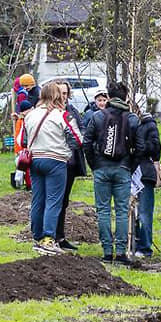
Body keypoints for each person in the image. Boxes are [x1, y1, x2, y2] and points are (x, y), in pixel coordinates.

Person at [18, 82, 83, 255]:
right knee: (54, 201)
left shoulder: (30, 115)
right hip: (56, 161)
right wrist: (66, 150)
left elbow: (22, 141)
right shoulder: (63, 115)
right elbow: (77, 140)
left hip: (35, 160)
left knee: (38, 199)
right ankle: (48, 239)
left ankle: (38, 236)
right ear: (57, 96)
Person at [83, 81, 139, 264]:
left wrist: (94, 165)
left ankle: (107, 251)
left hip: (101, 167)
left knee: (103, 210)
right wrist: (130, 166)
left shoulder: (98, 117)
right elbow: (140, 147)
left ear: (108, 96)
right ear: (126, 97)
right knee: (122, 210)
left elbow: (86, 143)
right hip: (122, 168)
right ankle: (121, 252)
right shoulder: (131, 118)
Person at [53, 80, 89, 251]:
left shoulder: (72, 111)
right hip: (54, 161)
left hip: (70, 163)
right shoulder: (49, 112)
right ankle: (49, 235)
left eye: (66, 93)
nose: (63, 97)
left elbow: (82, 131)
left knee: (64, 200)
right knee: (54, 199)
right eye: (60, 93)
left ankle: (60, 236)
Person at [132, 110, 161, 258]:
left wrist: (141, 147)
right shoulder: (129, 122)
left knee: (144, 212)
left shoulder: (149, 125)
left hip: (144, 173)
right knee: (134, 211)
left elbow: (156, 149)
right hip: (132, 172)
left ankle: (144, 246)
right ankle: (135, 243)